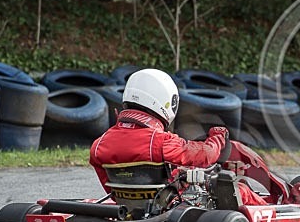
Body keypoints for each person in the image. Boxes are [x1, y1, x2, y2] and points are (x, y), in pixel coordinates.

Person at [89, 68, 268, 205]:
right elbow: (207, 155)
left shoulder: (98, 145)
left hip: (128, 208)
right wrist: (218, 137)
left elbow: (110, 188)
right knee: (240, 190)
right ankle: (277, 213)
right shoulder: (161, 142)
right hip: (168, 206)